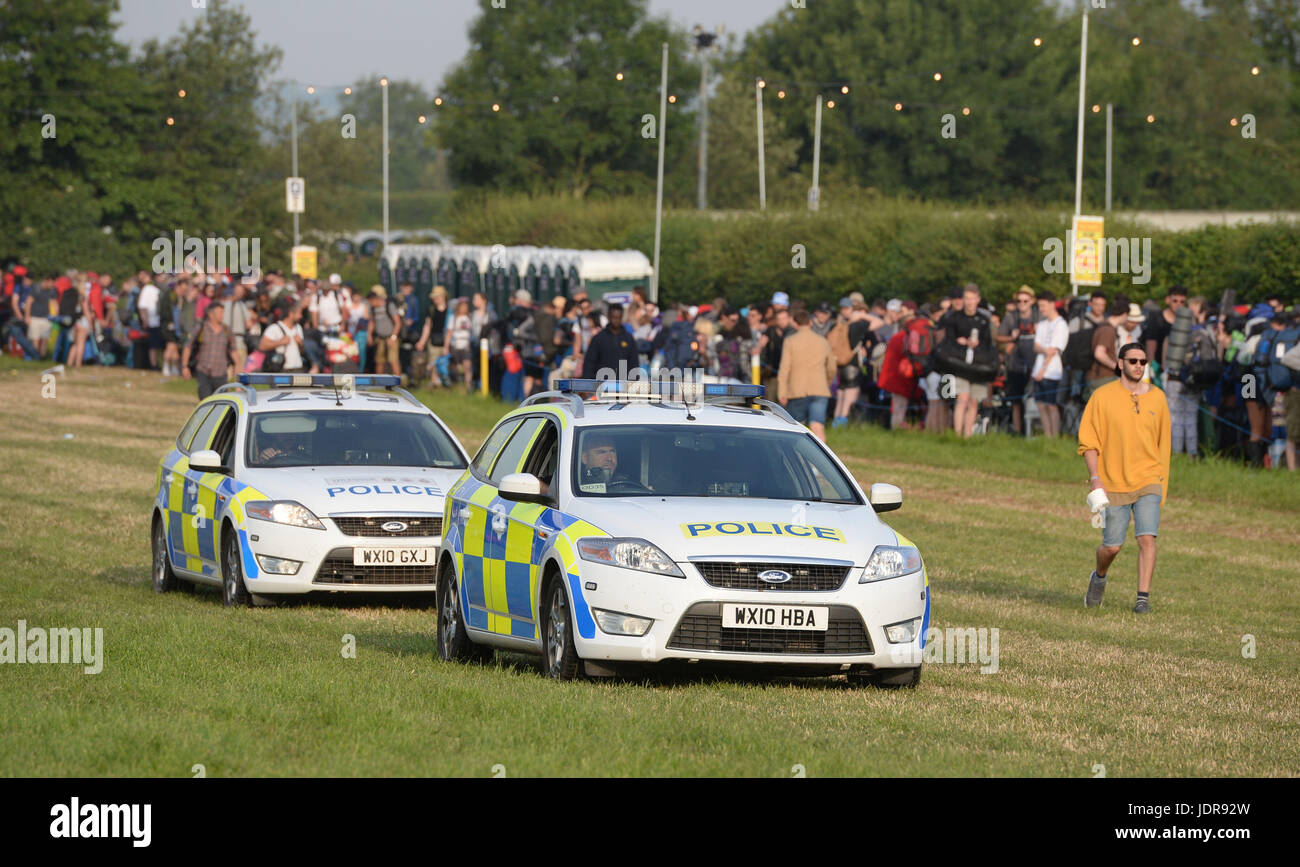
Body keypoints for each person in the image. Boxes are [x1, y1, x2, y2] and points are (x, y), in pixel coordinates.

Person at [1078, 342, 1171, 614]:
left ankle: (1142, 599)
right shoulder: (1102, 397)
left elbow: (1163, 444)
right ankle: (1099, 576)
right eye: (1133, 361)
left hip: (1149, 479)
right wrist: (1095, 478)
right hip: (1112, 482)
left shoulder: (1158, 398)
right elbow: (1089, 442)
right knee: (1112, 547)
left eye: (1143, 362)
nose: (1139, 366)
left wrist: (1162, 482)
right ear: (1120, 363)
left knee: (1147, 538)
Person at [778, 309, 837, 442]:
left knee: (798, 428)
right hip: (820, 390)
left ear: (795, 324)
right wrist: (826, 383)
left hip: (797, 390)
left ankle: (799, 460)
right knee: (818, 427)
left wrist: (782, 391)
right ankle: (821, 460)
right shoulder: (822, 340)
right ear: (810, 322)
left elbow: (784, 368)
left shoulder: (790, 341)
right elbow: (832, 367)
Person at [944, 283, 994, 438]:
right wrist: (959, 342)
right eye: (967, 298)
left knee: (974, 401)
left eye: (973, 299)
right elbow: (947, 341)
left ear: (978, 299)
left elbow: (988, 344)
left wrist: (977, 344)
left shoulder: (984, 320)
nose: (970, 302)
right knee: (962, 398)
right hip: (960, 363)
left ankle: (967, 436)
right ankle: (957, 434)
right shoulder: (954, 318)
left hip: (978, 364)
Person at [997, 285, 1042, 434]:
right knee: (1016, 399)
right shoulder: (1011, 317)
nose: (1022, 304)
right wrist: (1011, 337)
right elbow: (998, 337)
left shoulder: (1039, 316)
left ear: (1032, 301)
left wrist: (1038, 331)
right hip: (1015, 363)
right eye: (1019, 301)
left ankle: (1034, 430)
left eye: (1025, 301)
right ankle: (1017, 430)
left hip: (1036, 363)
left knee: (1035, 397)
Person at [1032, 292, 1069, 437]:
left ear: (1052, 304)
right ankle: (1047, 436)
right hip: (1038, 369)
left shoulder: (1061, 325)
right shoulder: (1041, 324)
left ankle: (1054, 436)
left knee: (1051, 405)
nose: (1041, 309)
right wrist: (1044, 349)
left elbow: (1053, 350)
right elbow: (1036, 346)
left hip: (1052, 371)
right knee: (1040, 405)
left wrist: (1043, 370)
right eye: (1039, 306)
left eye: (1043, 306)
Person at [182, 301, 236, 399]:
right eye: (220, 313)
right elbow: (188, 346)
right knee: (205, 401)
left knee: (222, 404)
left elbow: (234, 353)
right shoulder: (201, 328)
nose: (222, 315)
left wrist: (238, 378)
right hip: (203, 372)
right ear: (211, 314)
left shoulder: (227, 330)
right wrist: (185, 366)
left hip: (221, 374)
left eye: (223, 313)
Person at [581, 302, 640, 380]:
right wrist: (587, 383)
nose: (616, 320)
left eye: (618, 317)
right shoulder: (599, 338)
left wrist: (634, 381)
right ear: (608, 317)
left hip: (623, 384)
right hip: (601, 383)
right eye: (613, 317)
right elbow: (590, 362)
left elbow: (634, 362)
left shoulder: (628, 338)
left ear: (622, 317)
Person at [415, 285, 450, 387]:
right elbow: (427, 326)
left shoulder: (450, 310)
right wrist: (422, 341)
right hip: (434, 341)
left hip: (446, 341)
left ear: (443, 296)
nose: (435, 299)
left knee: (445, 364)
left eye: (437, 297)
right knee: (433, 362)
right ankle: (435, 383)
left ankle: (446, 383)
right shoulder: (431, 310)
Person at [367, 285, 402, 376]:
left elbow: (398, 322)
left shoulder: (389, 306)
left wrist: (393, 337)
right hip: (380, 338)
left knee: (393, 360)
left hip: (391, 337)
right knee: (379, 360)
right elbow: (372, 322)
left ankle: (397, 382)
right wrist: (369, 335)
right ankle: (379, 383)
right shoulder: (373, 309)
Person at [447, 298, 474, 393]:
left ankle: (468, 387)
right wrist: (446, 347)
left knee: (467, 366)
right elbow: (449, 333)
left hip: (466, 345)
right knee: (455, 367)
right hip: (456, 345)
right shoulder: (453, 318)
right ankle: (455, 386)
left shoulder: (469, 317)